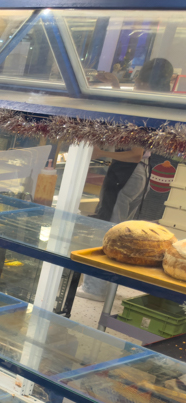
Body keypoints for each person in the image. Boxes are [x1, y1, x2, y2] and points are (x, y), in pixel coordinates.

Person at [80, 57, 176, 302]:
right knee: (122, 230)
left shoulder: (141, 108)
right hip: (139, 176)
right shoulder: (160, 102)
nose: (134, 88)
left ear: (143, 82)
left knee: (110, 229)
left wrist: (102, 153)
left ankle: (95, 289)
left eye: (137, 83)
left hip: (127, 176)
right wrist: (114, 85)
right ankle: (106, 287)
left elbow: (134, 154)